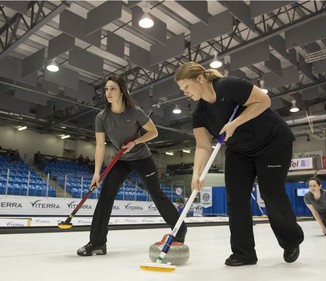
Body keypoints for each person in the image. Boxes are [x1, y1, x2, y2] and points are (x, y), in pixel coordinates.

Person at [174, 62, 304, 266]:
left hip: (272, 143)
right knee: (236, 198)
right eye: (183, 90)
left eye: (186, 87)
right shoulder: (199, 113)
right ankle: (244, 253)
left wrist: (235, 122)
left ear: (199, 78)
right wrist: (196, 173)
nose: (186, 93)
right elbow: (202, 146)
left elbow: (264, 101)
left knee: (271, 193)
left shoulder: (228, 86)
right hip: (239, 150)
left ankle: (291, 240)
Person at [77, 75, 187, 256]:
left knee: (156, 194)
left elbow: (153, 132)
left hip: (142, 158)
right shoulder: (102, 117)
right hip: (121, 161)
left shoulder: (135, 112)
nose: (108, 93)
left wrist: (135, 143)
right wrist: (96, 173)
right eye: (106, 89)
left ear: (122, 91)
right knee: (105, 196)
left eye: (112, 88)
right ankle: (97, 242)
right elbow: (99, 145)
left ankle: (180, 229)